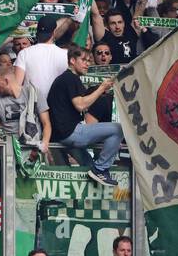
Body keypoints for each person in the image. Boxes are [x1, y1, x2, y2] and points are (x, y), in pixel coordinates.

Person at [45, 46, 124, 187]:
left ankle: (96, 171)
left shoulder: (68, 79)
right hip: (70, 133)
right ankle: (101, 168)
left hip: (64, 134)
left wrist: (102, 89)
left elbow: (84, 103)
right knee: (118, 129)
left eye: (89, 60)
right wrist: (101, 89)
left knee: (88, 168)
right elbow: (81, 105)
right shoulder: (69, 78)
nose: (87, 63)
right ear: (72, 60)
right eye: (83, 60)